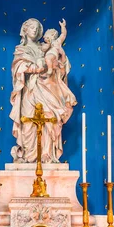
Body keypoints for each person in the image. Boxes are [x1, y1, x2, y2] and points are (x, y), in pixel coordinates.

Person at [10, 18, 77, 163]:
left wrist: (61, 58)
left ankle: (47, 155)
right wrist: (35, 68)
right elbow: (17, 68)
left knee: (49, 119)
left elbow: (61, 68)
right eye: (31, 27)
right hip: (30, 90)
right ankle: (28, 155)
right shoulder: (21, 49)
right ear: (25, 30)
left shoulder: (45, 47)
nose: (34, 30)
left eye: (37, 28)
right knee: (27, 122)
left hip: (47, 87)